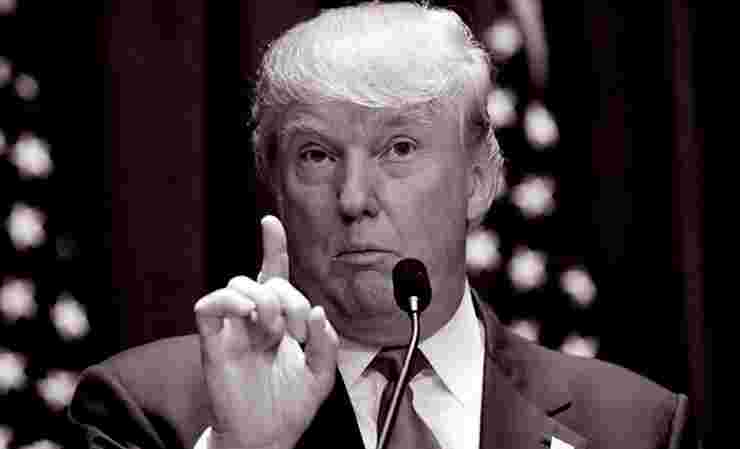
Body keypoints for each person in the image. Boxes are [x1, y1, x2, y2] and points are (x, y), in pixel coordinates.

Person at [68, 2, 697, 449]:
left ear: (479, 181)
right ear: (275, 185)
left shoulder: (635, 427)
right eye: (317, 155)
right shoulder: (143, 411)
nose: (354, 198)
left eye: (399, 148)